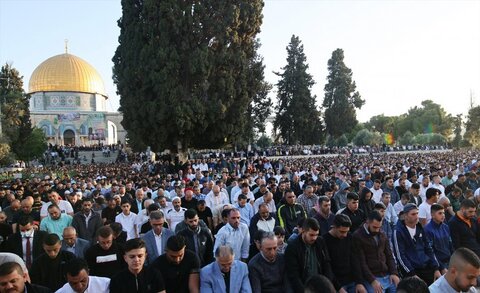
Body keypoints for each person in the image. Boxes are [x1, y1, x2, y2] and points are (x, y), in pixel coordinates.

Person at [393, 203, 440, 285]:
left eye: (417, 213)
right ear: (405, 216)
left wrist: (436, 268)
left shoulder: (420, 228)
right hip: (411, 271)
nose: (416, 216)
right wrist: (412, 274)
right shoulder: (398, 232)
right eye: (413, 214)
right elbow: (400, 256)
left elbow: (428, 249)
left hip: (426, 267)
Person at [353, 210, 399, 293]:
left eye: (379, 227)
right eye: (374, 227)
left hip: (387, 274)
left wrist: (394, 273)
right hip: (371, 276)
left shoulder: (382, 234)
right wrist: (372, 280)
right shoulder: (358, 236)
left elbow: (389, 255)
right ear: (368, 222)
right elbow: (361, 263)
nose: (377, 230)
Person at [284, 218, 333, 292]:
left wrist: (327, 285)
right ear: (303, 231)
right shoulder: (292, 248)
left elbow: (326, 264)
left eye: (316, 235)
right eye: (311, 235)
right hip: (304, 287)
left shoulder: (320, 242)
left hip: (321, 286)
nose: (314, 238)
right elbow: (294, 276)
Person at [324, 214, 365, 293]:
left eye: (347, 231)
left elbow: (355, 260)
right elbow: (327, 268)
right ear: (334, 227)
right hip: (336, 284)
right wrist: (338, 288)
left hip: (352, 281)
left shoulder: (349, 237)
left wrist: (359, 282)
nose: (345, 235)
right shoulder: (324, 241)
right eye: (342, 232)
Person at [423, 203, 454, 273]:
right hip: (438, 265)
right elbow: (430, 252)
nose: (443, 215)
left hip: (450, 261)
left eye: (443, 213)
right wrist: (442, 267)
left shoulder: (446, 227)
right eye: (440, 213)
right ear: (432, 215)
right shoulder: (427, 230)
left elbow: (450, 245)